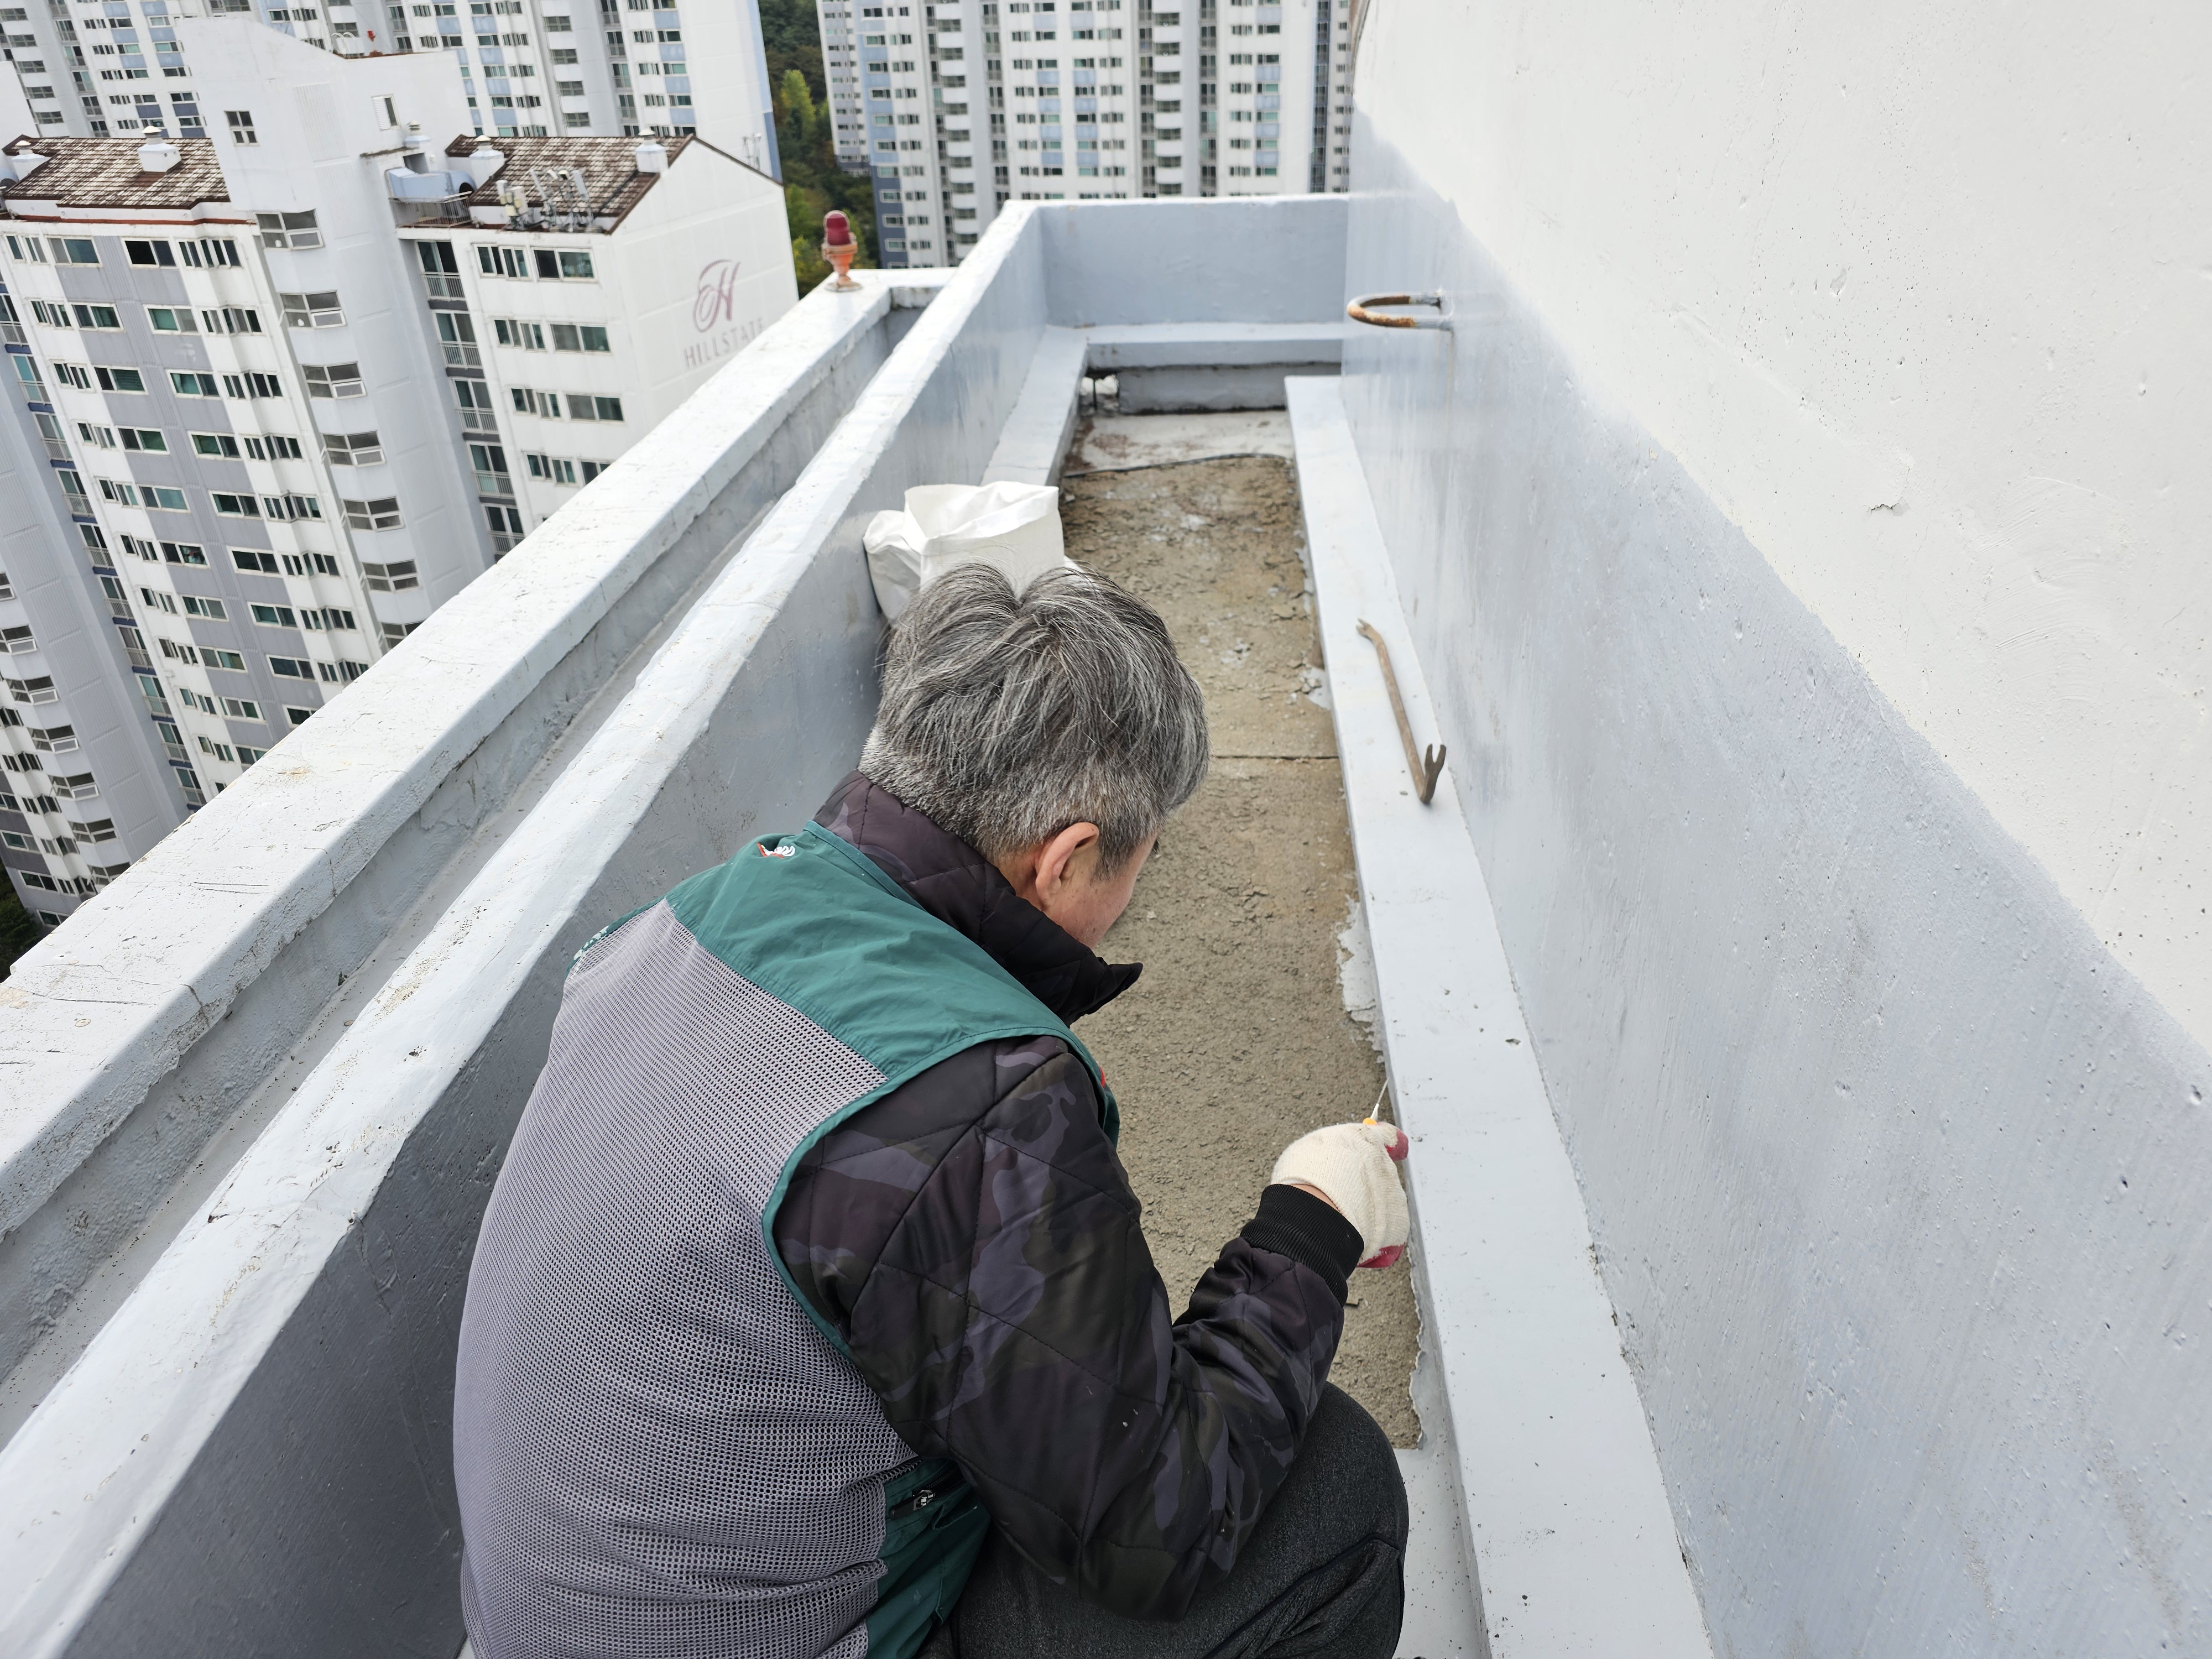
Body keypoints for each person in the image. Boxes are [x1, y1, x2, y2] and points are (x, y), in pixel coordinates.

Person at [452, 564, 1415, 1659]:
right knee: (1334, 1497)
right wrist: (1311, 1225)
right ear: (1066, 859)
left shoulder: (671, 926)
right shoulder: (972, 1108)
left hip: (559, 1622)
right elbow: (1159, 1524)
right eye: (1140, 860)